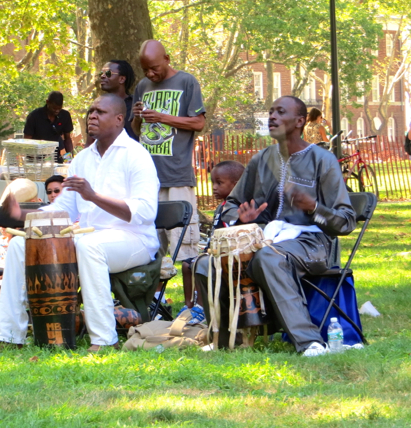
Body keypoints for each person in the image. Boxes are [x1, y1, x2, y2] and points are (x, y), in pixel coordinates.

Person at [0, 94, 159, 352]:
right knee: (19, 245)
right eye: (91, 111)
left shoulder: (137, 155)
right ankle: (8, 336)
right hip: (86, 237)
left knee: (88, 246)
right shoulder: (82, 159)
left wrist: (93, 196)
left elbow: (146, 212)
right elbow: (64, 209)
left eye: (100, 112)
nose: (92, 116)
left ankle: (104, 340)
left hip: (134, 239)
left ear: (118, 119)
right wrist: (22, 215)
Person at [195, 96, 356, 357]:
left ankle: (309, 342)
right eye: (271, 112)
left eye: (280, 112)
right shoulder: (262, 160)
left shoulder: (322, 160)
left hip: (313, 244)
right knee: (206, 262)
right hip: (265, 239)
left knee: (267, 258)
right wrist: (241, 218)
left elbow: (346, 221)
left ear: (300, 121)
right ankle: (225, 338)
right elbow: (232, 204)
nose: (272, 117)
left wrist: (314, 207)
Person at [132, 39, 206, 261]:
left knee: (185, 248)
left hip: (176, 177)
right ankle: (158, 297)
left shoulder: (186, 82)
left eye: (154, 68)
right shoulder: (142, 87)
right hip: (147, 179)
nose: (150, 74)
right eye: (145, 69)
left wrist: (162, 117)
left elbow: (198, 123)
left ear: (167, 59)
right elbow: (137, 130)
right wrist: (137, 116)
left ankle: (192, 296)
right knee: (150, 248)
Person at [179, 161, 245, 320]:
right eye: (213, 182)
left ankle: (202, 308)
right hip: (213, 252)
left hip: (229, 256)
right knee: (187, 265)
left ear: (236, 185)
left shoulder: (237, 209)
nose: (214, 187)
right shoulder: (220, 207)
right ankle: (189, 304)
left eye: (219, 183)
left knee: (203, 266)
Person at [24, 91, 74, 163]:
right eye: (54, 108)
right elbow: (27, 140)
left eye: (59, 108)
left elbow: (67, 139)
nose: (57, 111)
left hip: (54, 157)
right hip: (35, 158)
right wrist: (33, 157)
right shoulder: (34, 116)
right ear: (47, 102)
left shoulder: (65, 116)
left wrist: (69, 160)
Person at [98, 60, 138, 141]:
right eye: (101, 73)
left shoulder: (136, 104)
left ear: (122, 79)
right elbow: (90, 142)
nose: (102, 76)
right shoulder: (97, 107)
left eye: (108, 73)